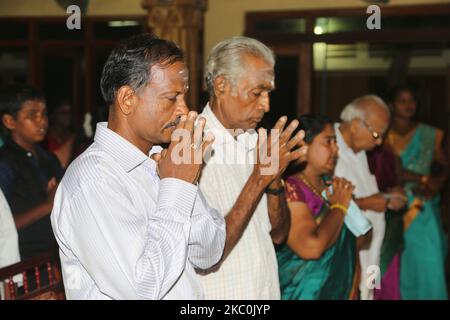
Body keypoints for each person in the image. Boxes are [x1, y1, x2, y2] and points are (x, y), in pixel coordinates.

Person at [50, 34, 226, 300]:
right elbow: (141, 290)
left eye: (184, 97)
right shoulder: (94, 180)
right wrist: (177, 187)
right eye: (171, 98)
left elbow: (209, 253)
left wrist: (182, 182)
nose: (184, 110)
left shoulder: (164, 160)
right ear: (127, 99)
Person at [197, 36, 307, 299]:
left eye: (269, 93)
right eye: (257, 93)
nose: (266, 105)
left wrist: (275, 182)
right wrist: (260, 177)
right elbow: (210, 253)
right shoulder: (190, 147)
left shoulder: (257, 142)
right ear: (221, 85)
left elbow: (279, 234)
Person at [276, 114, 358, 300]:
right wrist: (339, 207)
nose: (336, 149)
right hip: (303, 292)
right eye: (328, 142)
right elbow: (311, 248)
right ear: (303, 145)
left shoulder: (332, 186)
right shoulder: (289, 188)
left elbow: (360, 239)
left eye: (336, 143)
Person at [334, 95, 407, 300]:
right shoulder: (330, 147)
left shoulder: (358, 152)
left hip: (370, 255)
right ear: (356, 124)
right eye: (376, 133)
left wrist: (385, 198)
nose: (379, 141)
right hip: (348, 259)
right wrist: (370, 203)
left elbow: (362, 195)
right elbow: (321, 204)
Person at [386, 85, 448, 299]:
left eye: (411, 100)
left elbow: (444, 166)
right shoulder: (382, 134)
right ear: (392, 105)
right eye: (402, 100)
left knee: (429, 258)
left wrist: (435, 185)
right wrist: (421, 177)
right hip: (390, 203)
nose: (408, 105)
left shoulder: (430, 134)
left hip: (421, 206)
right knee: (396, 263)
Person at [0, 84, 63, 261]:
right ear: (9, 121)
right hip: (23, 264)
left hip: (53, 258)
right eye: (32, 115)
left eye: (43, 114)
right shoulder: (5, 163)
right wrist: (47, 205)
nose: (41, 121)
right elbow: (3, 227)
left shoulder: (48, 159)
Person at [368, 144, 406, 300]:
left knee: (386, 282)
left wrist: (394, 195)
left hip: (387, 228)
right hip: (366, 233)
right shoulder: (348, 156)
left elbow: (398, 182)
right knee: (372, 284)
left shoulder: (389, 154)